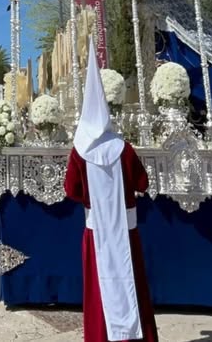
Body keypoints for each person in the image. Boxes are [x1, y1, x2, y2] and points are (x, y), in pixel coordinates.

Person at [64, 39, 158, 342]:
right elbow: (142, 183)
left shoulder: (79, 151)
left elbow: (71, 190)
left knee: (99, 287)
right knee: (131, 282)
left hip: (96, 233)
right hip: (126, 231)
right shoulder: (124, 148)